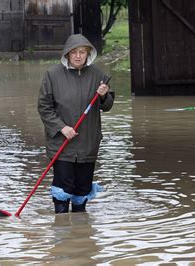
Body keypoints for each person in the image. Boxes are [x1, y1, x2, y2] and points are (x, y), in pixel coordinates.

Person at [37, 34, 114, 214]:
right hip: (62, 145)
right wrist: (61, 127)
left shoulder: (98, 75)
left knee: (82, 190)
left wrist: (104, 95)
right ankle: (62, 229)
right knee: (63, 189)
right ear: (67, 54)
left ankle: (80, 232)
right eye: (74, 52)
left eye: (82, 52)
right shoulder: (52, 75)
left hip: (88, 144)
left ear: (88, 54)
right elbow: (44, 107)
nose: (78, 56)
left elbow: (108, 105)